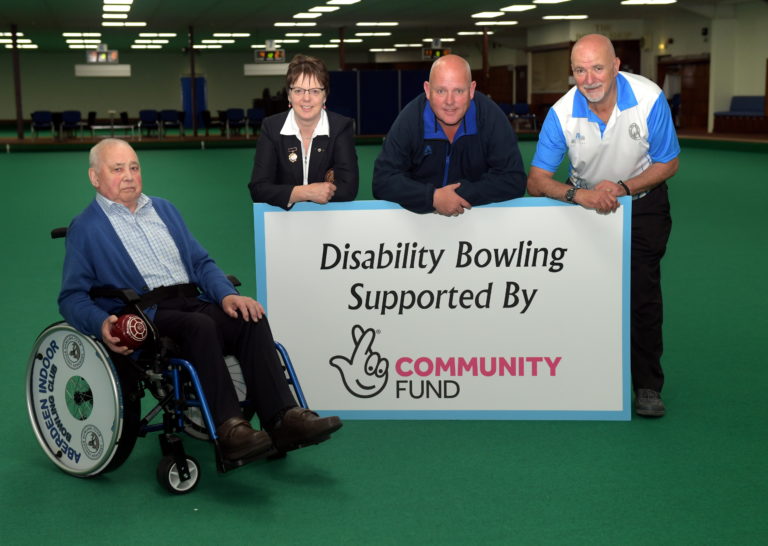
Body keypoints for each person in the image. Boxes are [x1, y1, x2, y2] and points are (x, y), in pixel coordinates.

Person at [59, 138, 342, 462]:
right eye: (118, 169)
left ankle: (283, 419)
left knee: (250, 318)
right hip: (147, 312)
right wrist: (101, 322)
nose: (129, 176)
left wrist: (227, 295)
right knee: (199, 326)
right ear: (95, 177)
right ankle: (230, 429)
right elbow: (71, 297)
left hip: (192, 299)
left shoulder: (163, 209)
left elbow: (201, 263)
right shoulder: (86, 227)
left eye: (134, 167)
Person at [526, 34, 680, 417]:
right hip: (584, 210)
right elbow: (537, 180)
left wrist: (624, 188)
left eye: (597, 68)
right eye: (580, 70)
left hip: (643, 205)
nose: (589, 78)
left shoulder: (649, 99)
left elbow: (668, 163)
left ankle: (647, 386)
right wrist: (581, 196)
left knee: (642, 295)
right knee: (582, 297)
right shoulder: (561, 113)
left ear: (616, 66)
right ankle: (581, 378)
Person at [372, 54, 526, 215]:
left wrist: (458, 196)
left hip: (478, 225)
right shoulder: (410, 120)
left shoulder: (491, 117)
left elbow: (514, 179)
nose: (449, 101)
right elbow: (383, 180)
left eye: (458, 91)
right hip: (417, 227)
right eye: (440, 91)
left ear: (471, 90)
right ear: (427, 90)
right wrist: (433, 197)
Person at [249, 54, 358, 209]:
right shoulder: (271, 127)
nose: (306, 98)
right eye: (298, 90)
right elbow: (258, 188)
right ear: (289, 95)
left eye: (315, 91)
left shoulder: (341, 127)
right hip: (282, 223)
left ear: (325, 95)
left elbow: (349, 189)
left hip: (328, 221)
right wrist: (304, 192)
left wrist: (286, 193)